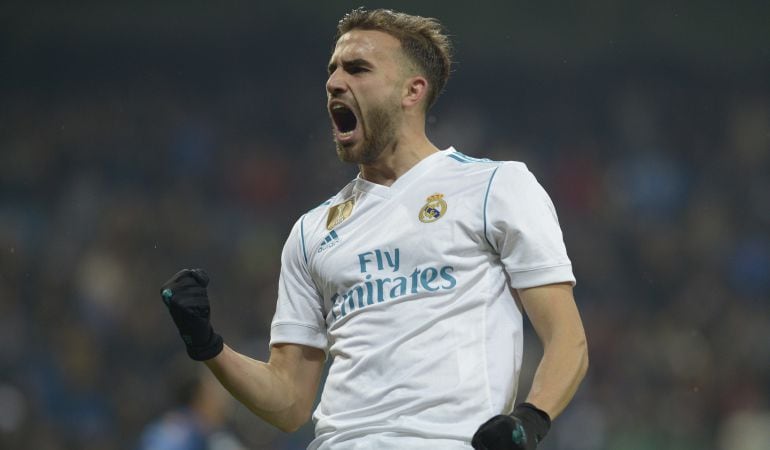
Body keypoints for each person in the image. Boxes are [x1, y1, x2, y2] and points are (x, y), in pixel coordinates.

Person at [160, 8, 588, 450]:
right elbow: (289, 403)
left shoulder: (495, 186)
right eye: (332, 70)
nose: (334, 83)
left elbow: (566, 338)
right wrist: (207, 345)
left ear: (412, 90)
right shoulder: (310, 232)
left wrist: (529, 420)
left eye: (357, 68)